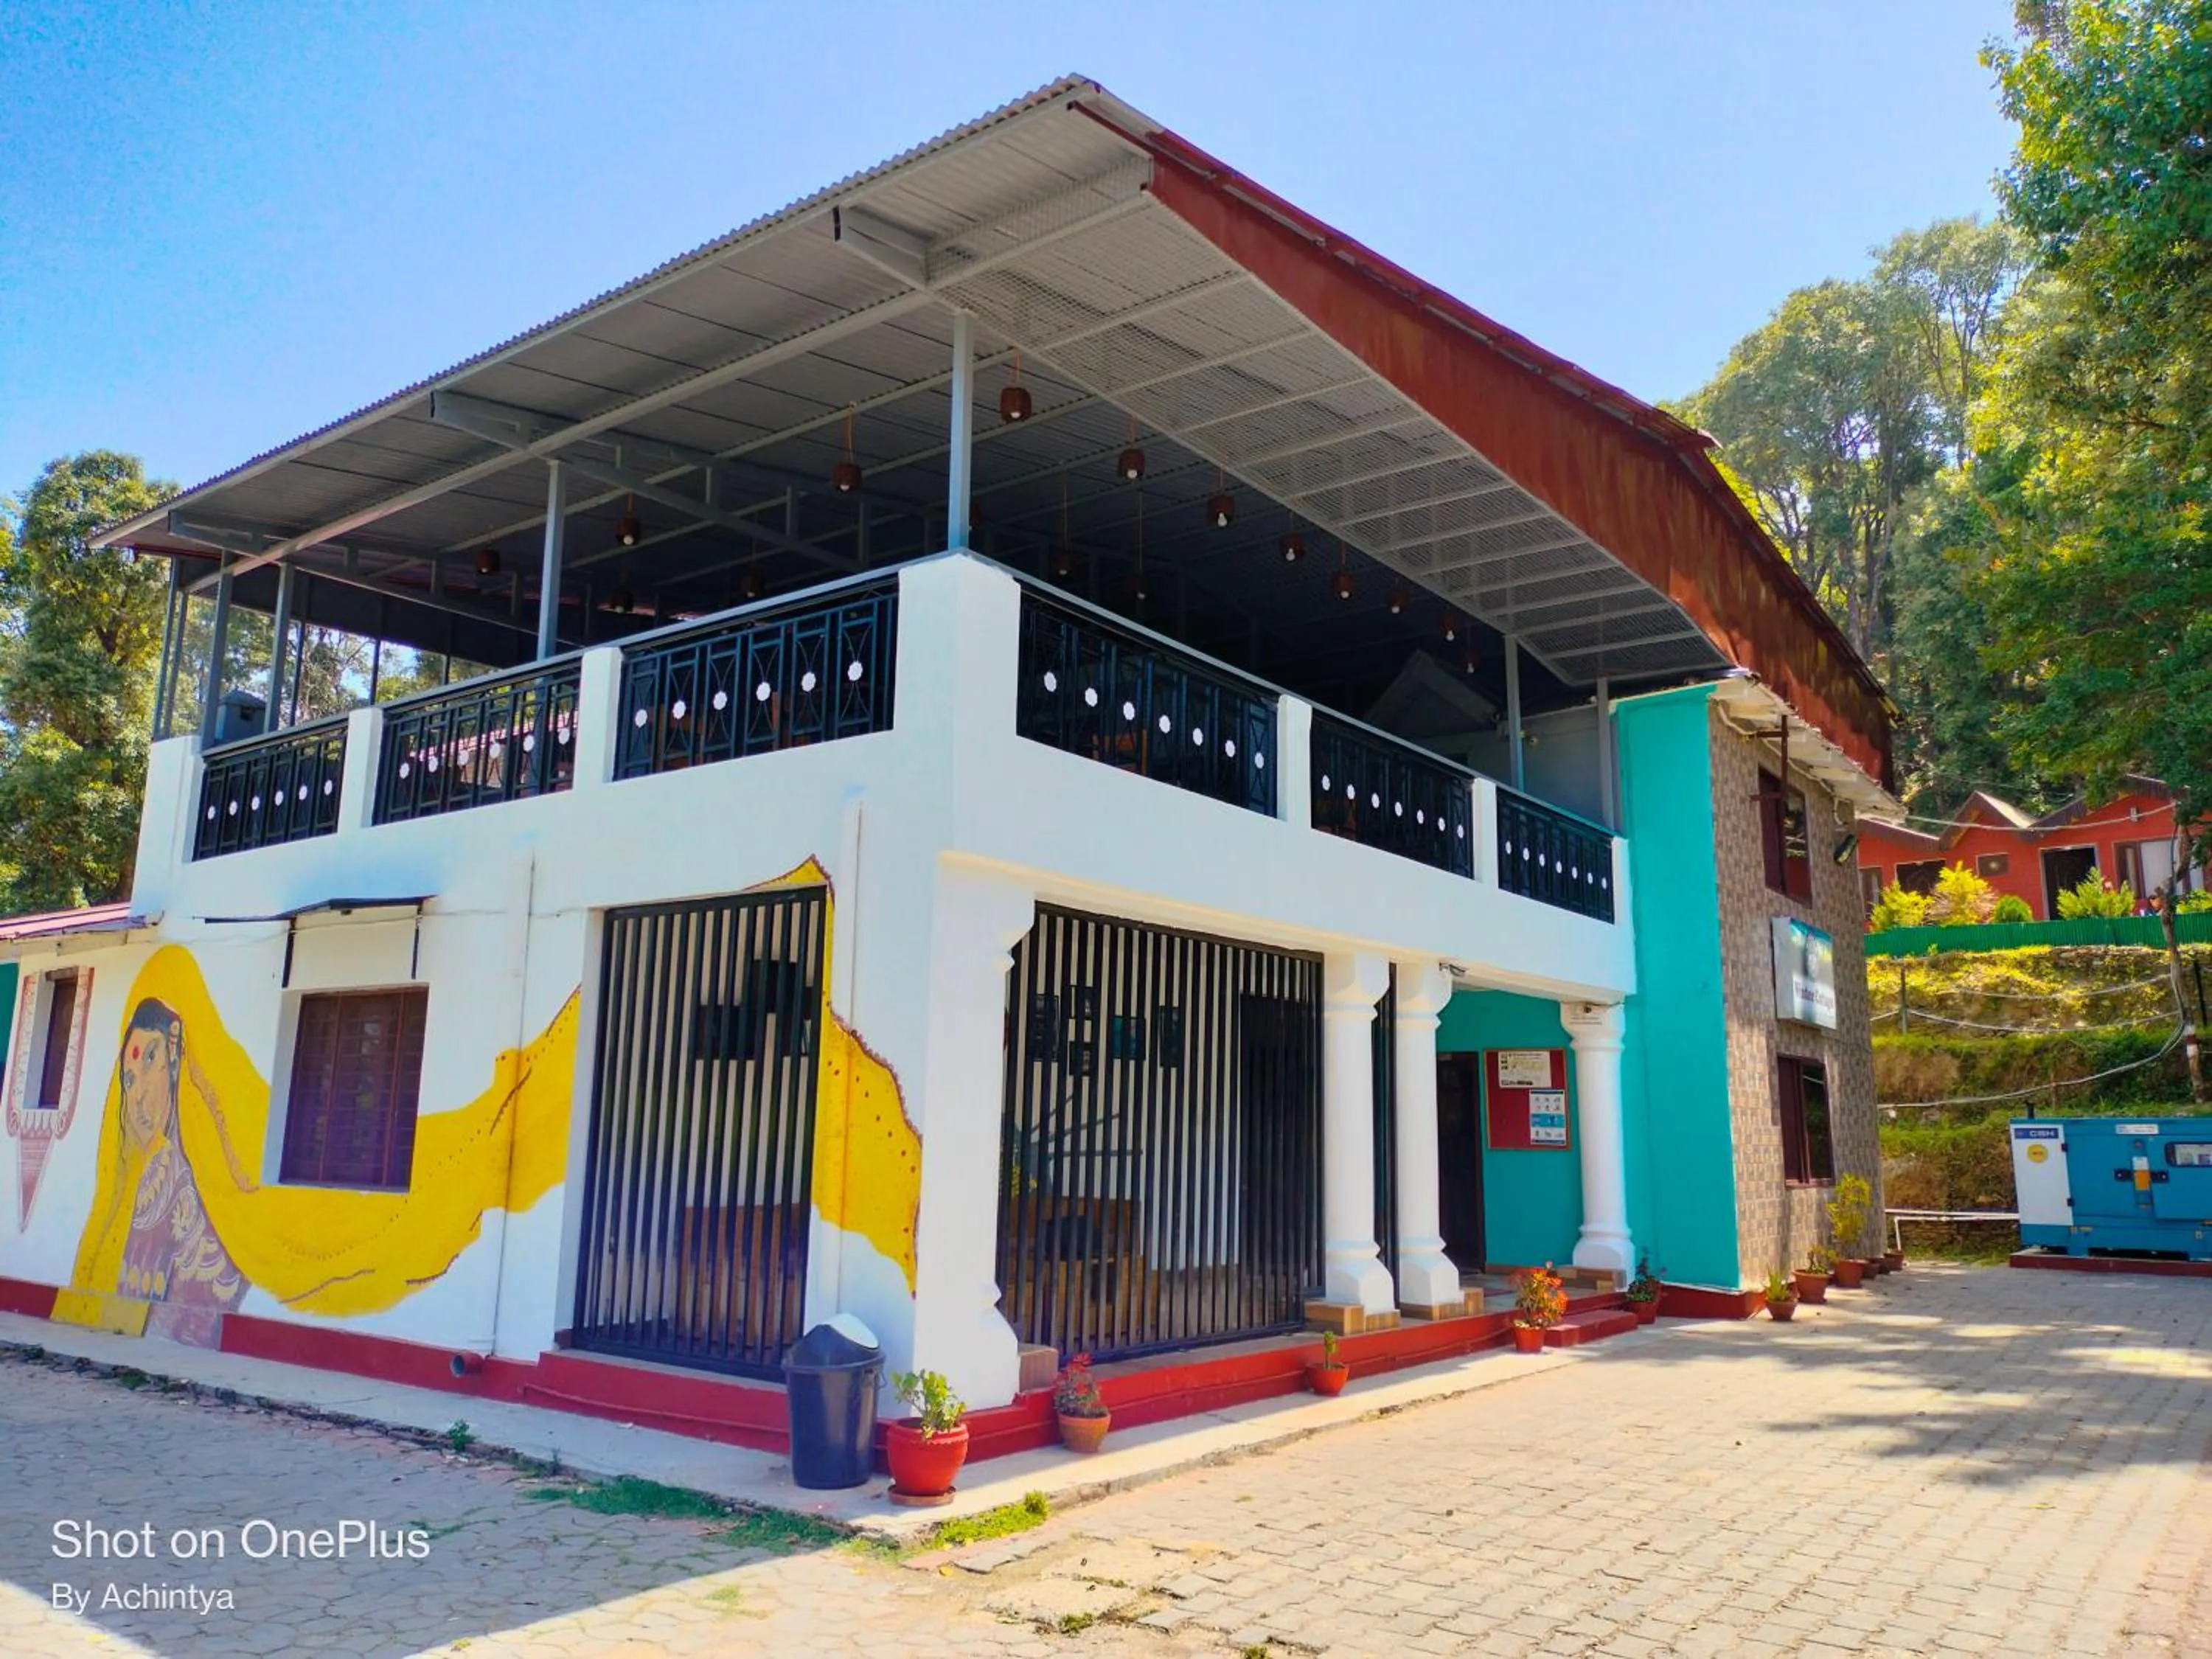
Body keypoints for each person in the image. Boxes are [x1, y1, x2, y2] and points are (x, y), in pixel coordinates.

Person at [109, 998, 247, 1346]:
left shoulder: (178, 1169)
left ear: (175, 1050)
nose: (138, 1095)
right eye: (129, 1079)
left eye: (150, 1058)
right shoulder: (162, 1175)